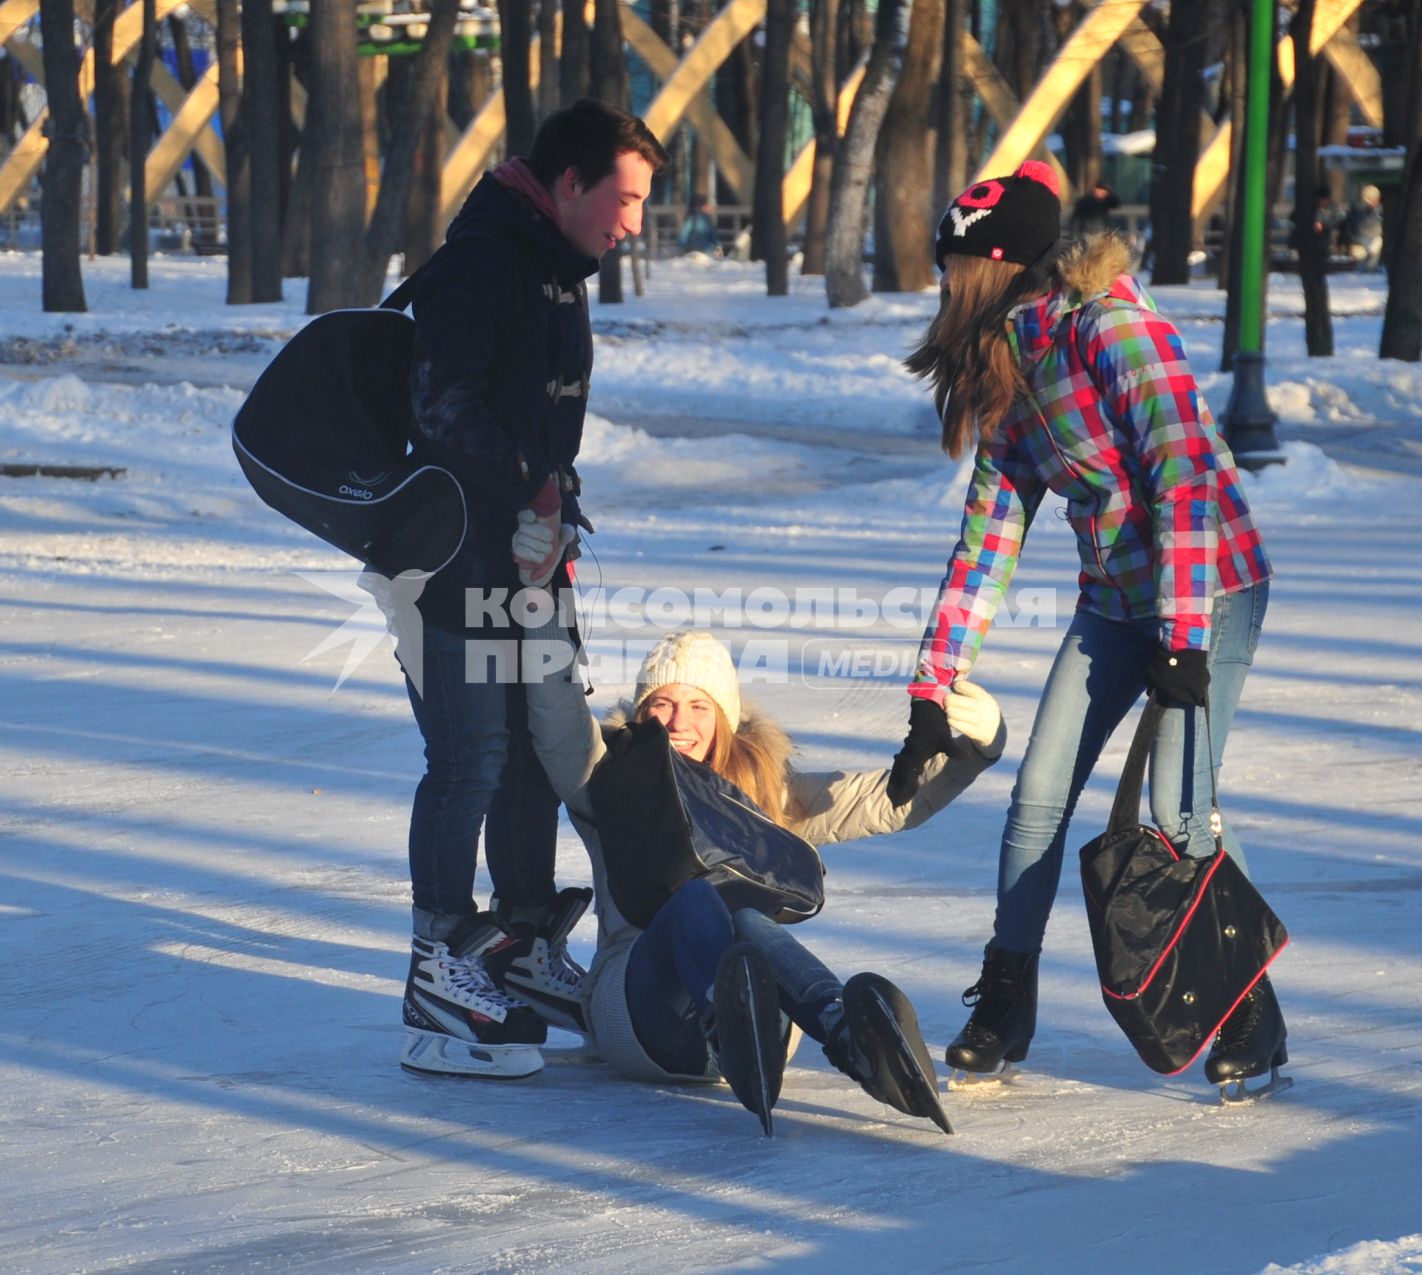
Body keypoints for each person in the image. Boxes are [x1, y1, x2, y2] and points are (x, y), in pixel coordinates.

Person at [892, 163, 1280, 1094]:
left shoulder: (1113, 329)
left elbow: (1184, 481)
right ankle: (1006, 996)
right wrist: (932, 688)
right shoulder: (1009, 364)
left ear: (993, 260)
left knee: (1177, 810)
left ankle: (1249, 1020)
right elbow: (989, 536)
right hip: (1113, 600)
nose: (942, 284)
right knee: (1038, 795)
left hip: (1209, 590)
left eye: (952, 264)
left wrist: (1183, 637)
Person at [395, 99, 668, 1080]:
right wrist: (534, 484)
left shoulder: (555, 271)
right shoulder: (481, 262)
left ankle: (515, 948)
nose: (632, 220)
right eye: (623, 197)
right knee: (468, 754)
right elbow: (442, 406)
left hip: (528, 555)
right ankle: (436, 971)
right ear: (565, 185)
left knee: (529, 758)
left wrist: (552, 515)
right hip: (448, 557)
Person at [514, 626, 1008, 1133]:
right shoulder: (611, 778)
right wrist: (544, 603)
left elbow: (885, 800)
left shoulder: (761, 792)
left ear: (725, 719)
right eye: (662, 703)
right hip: (644, 1015)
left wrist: (975, 751)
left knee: (744, 915)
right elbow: (559, 723)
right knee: (696, 899)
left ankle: (845, 1032)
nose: (678, 721)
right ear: (642, 713)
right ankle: (733, 1018)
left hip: (762, 1020)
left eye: (699, 706)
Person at [1340, 185, 1384, 269]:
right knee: (1367, 265)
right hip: (1364, 242)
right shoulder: (1365, 210)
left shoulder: (1355, 209)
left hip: (1361, 242)